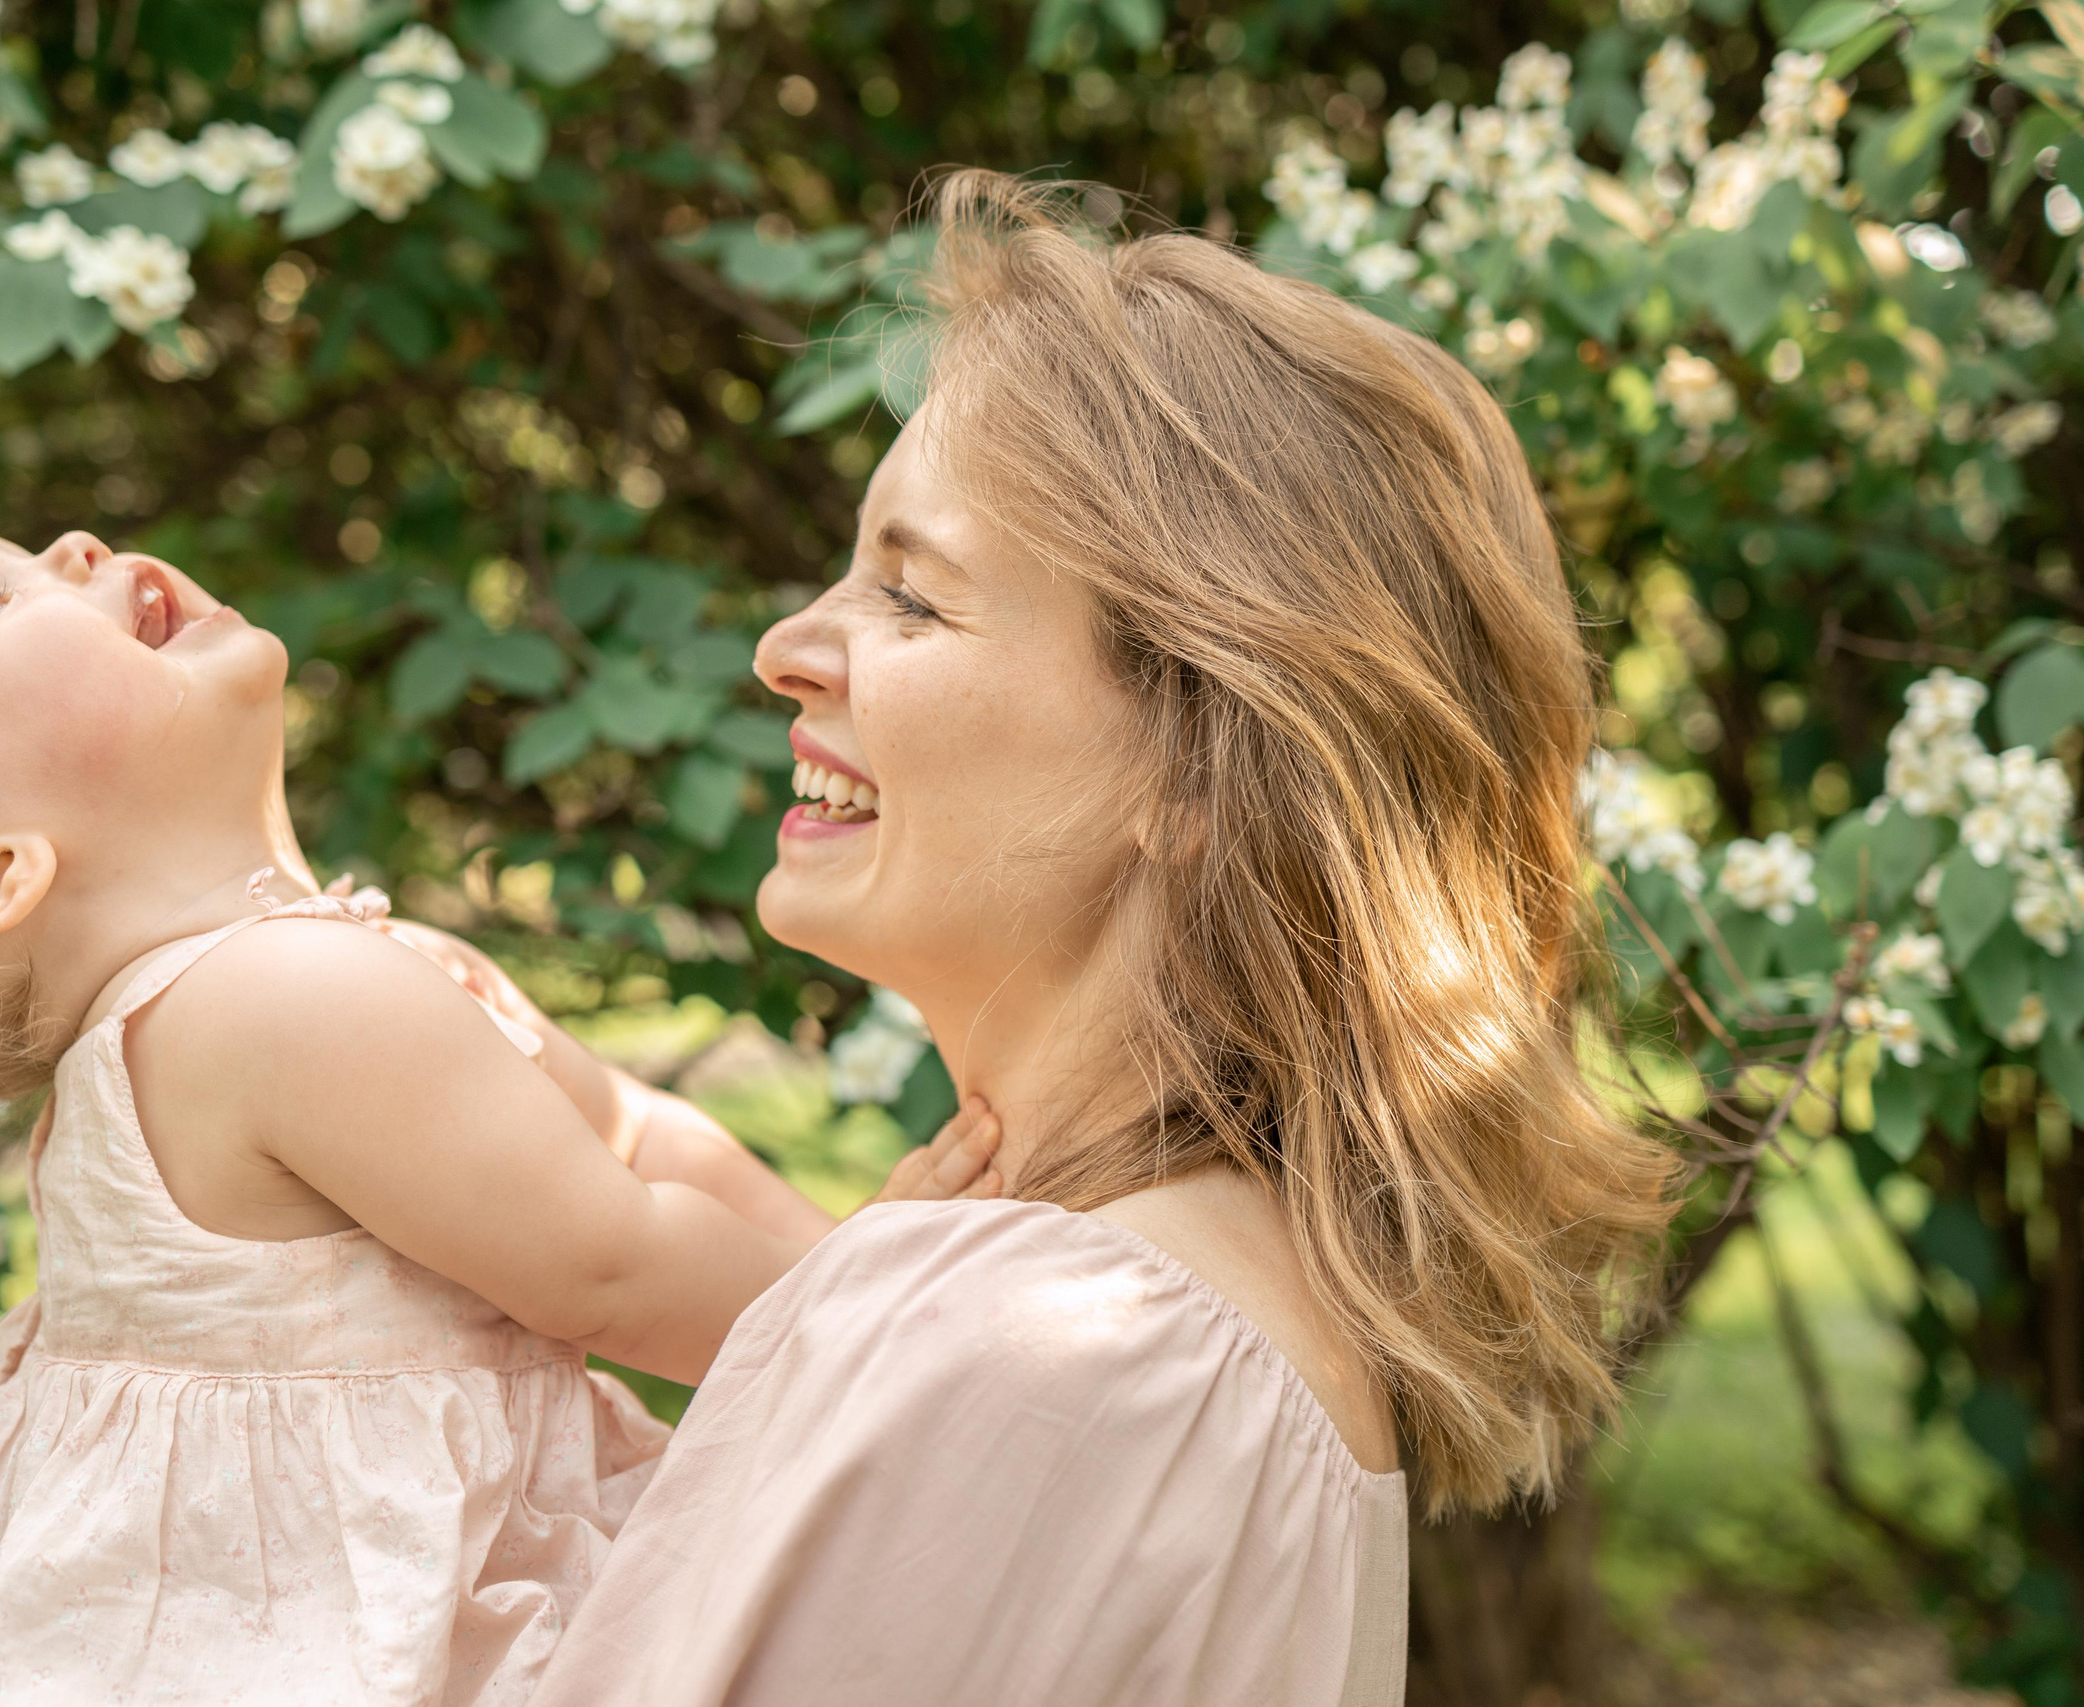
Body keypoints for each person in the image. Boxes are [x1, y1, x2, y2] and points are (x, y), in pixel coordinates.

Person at [524, 171, 1681, 1706]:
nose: (788, 648)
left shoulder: (1061, 1355)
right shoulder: (1131, 1322)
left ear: (1197, 773)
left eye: (913, 600)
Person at [0, 520, 1002, 1707]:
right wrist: (865, 1309)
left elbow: (639, 1141)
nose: (72, 547)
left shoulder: (334, 973)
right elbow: (607, 1264)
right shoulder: (273, 1004)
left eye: (21, 549)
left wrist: (837, 1247)